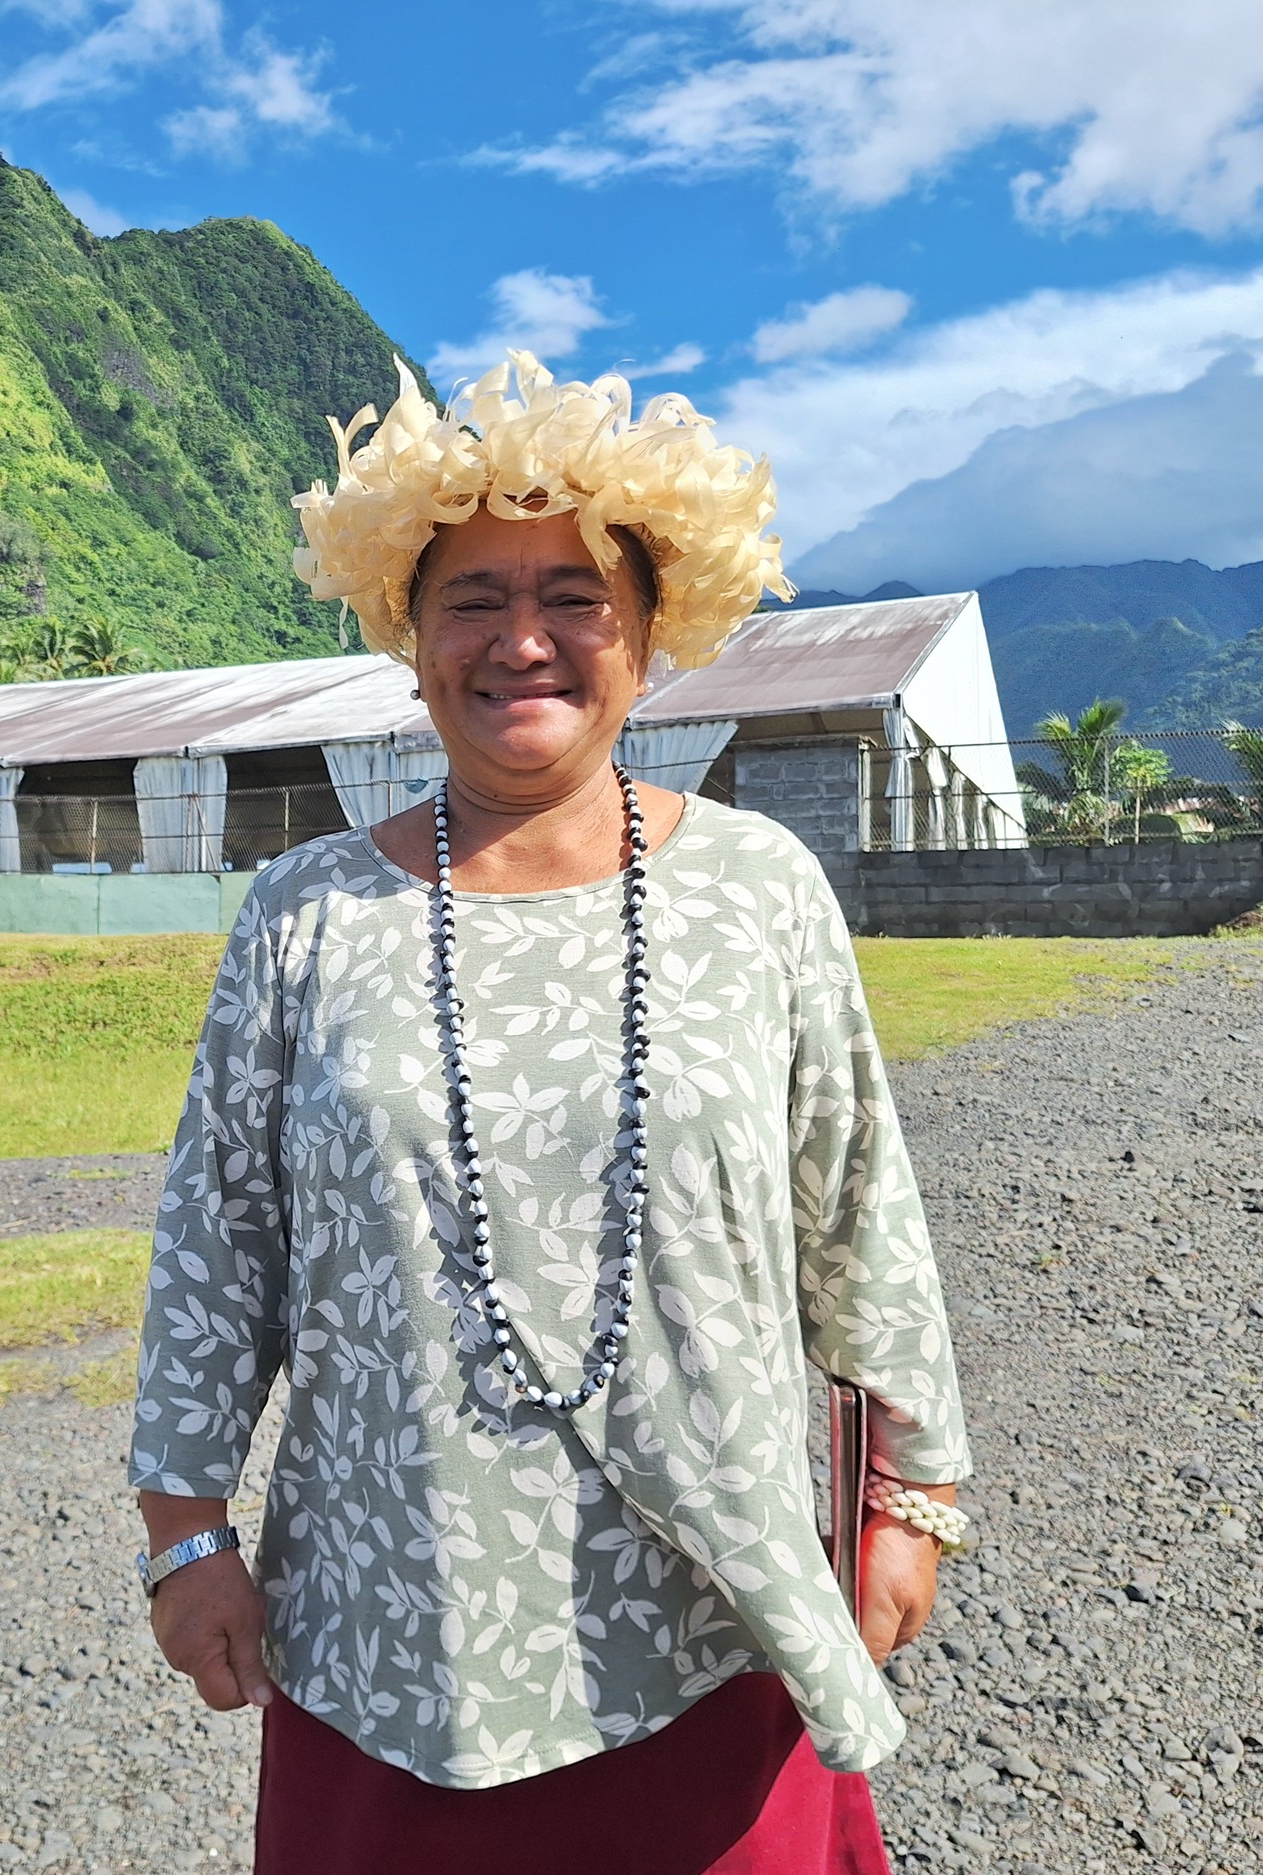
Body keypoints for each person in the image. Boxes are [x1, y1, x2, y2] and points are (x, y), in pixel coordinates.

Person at [127, 353, 972, 1872]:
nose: (525, 640)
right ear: (410, 635)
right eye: (472, 599)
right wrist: (187, 1534)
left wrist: (913, 1490)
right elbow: (217, 1245)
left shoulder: (757, 891)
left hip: (715, 1621)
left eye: (577, 598)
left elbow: (859, 1204)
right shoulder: (307, 911)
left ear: (650, 636)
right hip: (394, 1634)